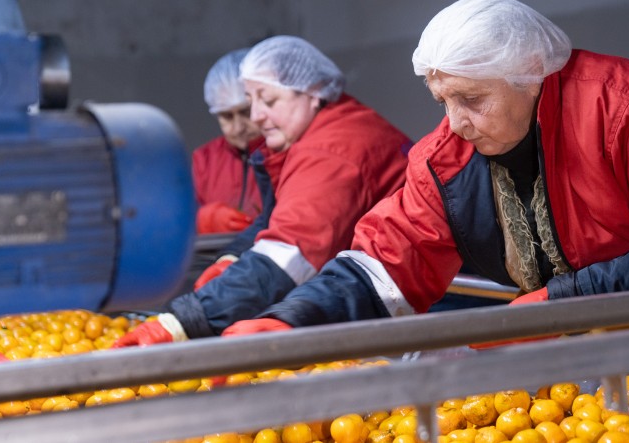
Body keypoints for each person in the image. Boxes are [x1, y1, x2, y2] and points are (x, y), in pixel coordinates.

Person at [220, 0, 629, 384]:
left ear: (530, 76)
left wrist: (554, 305)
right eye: (443, 101)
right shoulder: (448, 157)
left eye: (472, 100)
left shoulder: (624, 105)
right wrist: (292, 320)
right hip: (613, 368)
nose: (453, 121)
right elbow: (387, 262)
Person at [113, 36, 412, 345]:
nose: (255, 117)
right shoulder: (319, 135)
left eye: (267, 101)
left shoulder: (332, 152)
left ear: (312, 94)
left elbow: (286, 257)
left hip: (417, 307)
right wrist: (231, 259)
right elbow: (275, 219)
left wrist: (184, 322)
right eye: (251, 100)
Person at [192, 48, 265, 235]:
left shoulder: (284, 152)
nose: (239, 127)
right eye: (227, 116)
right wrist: (205, 220)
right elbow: (174, 221)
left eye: (245, 112)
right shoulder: (204, 160)